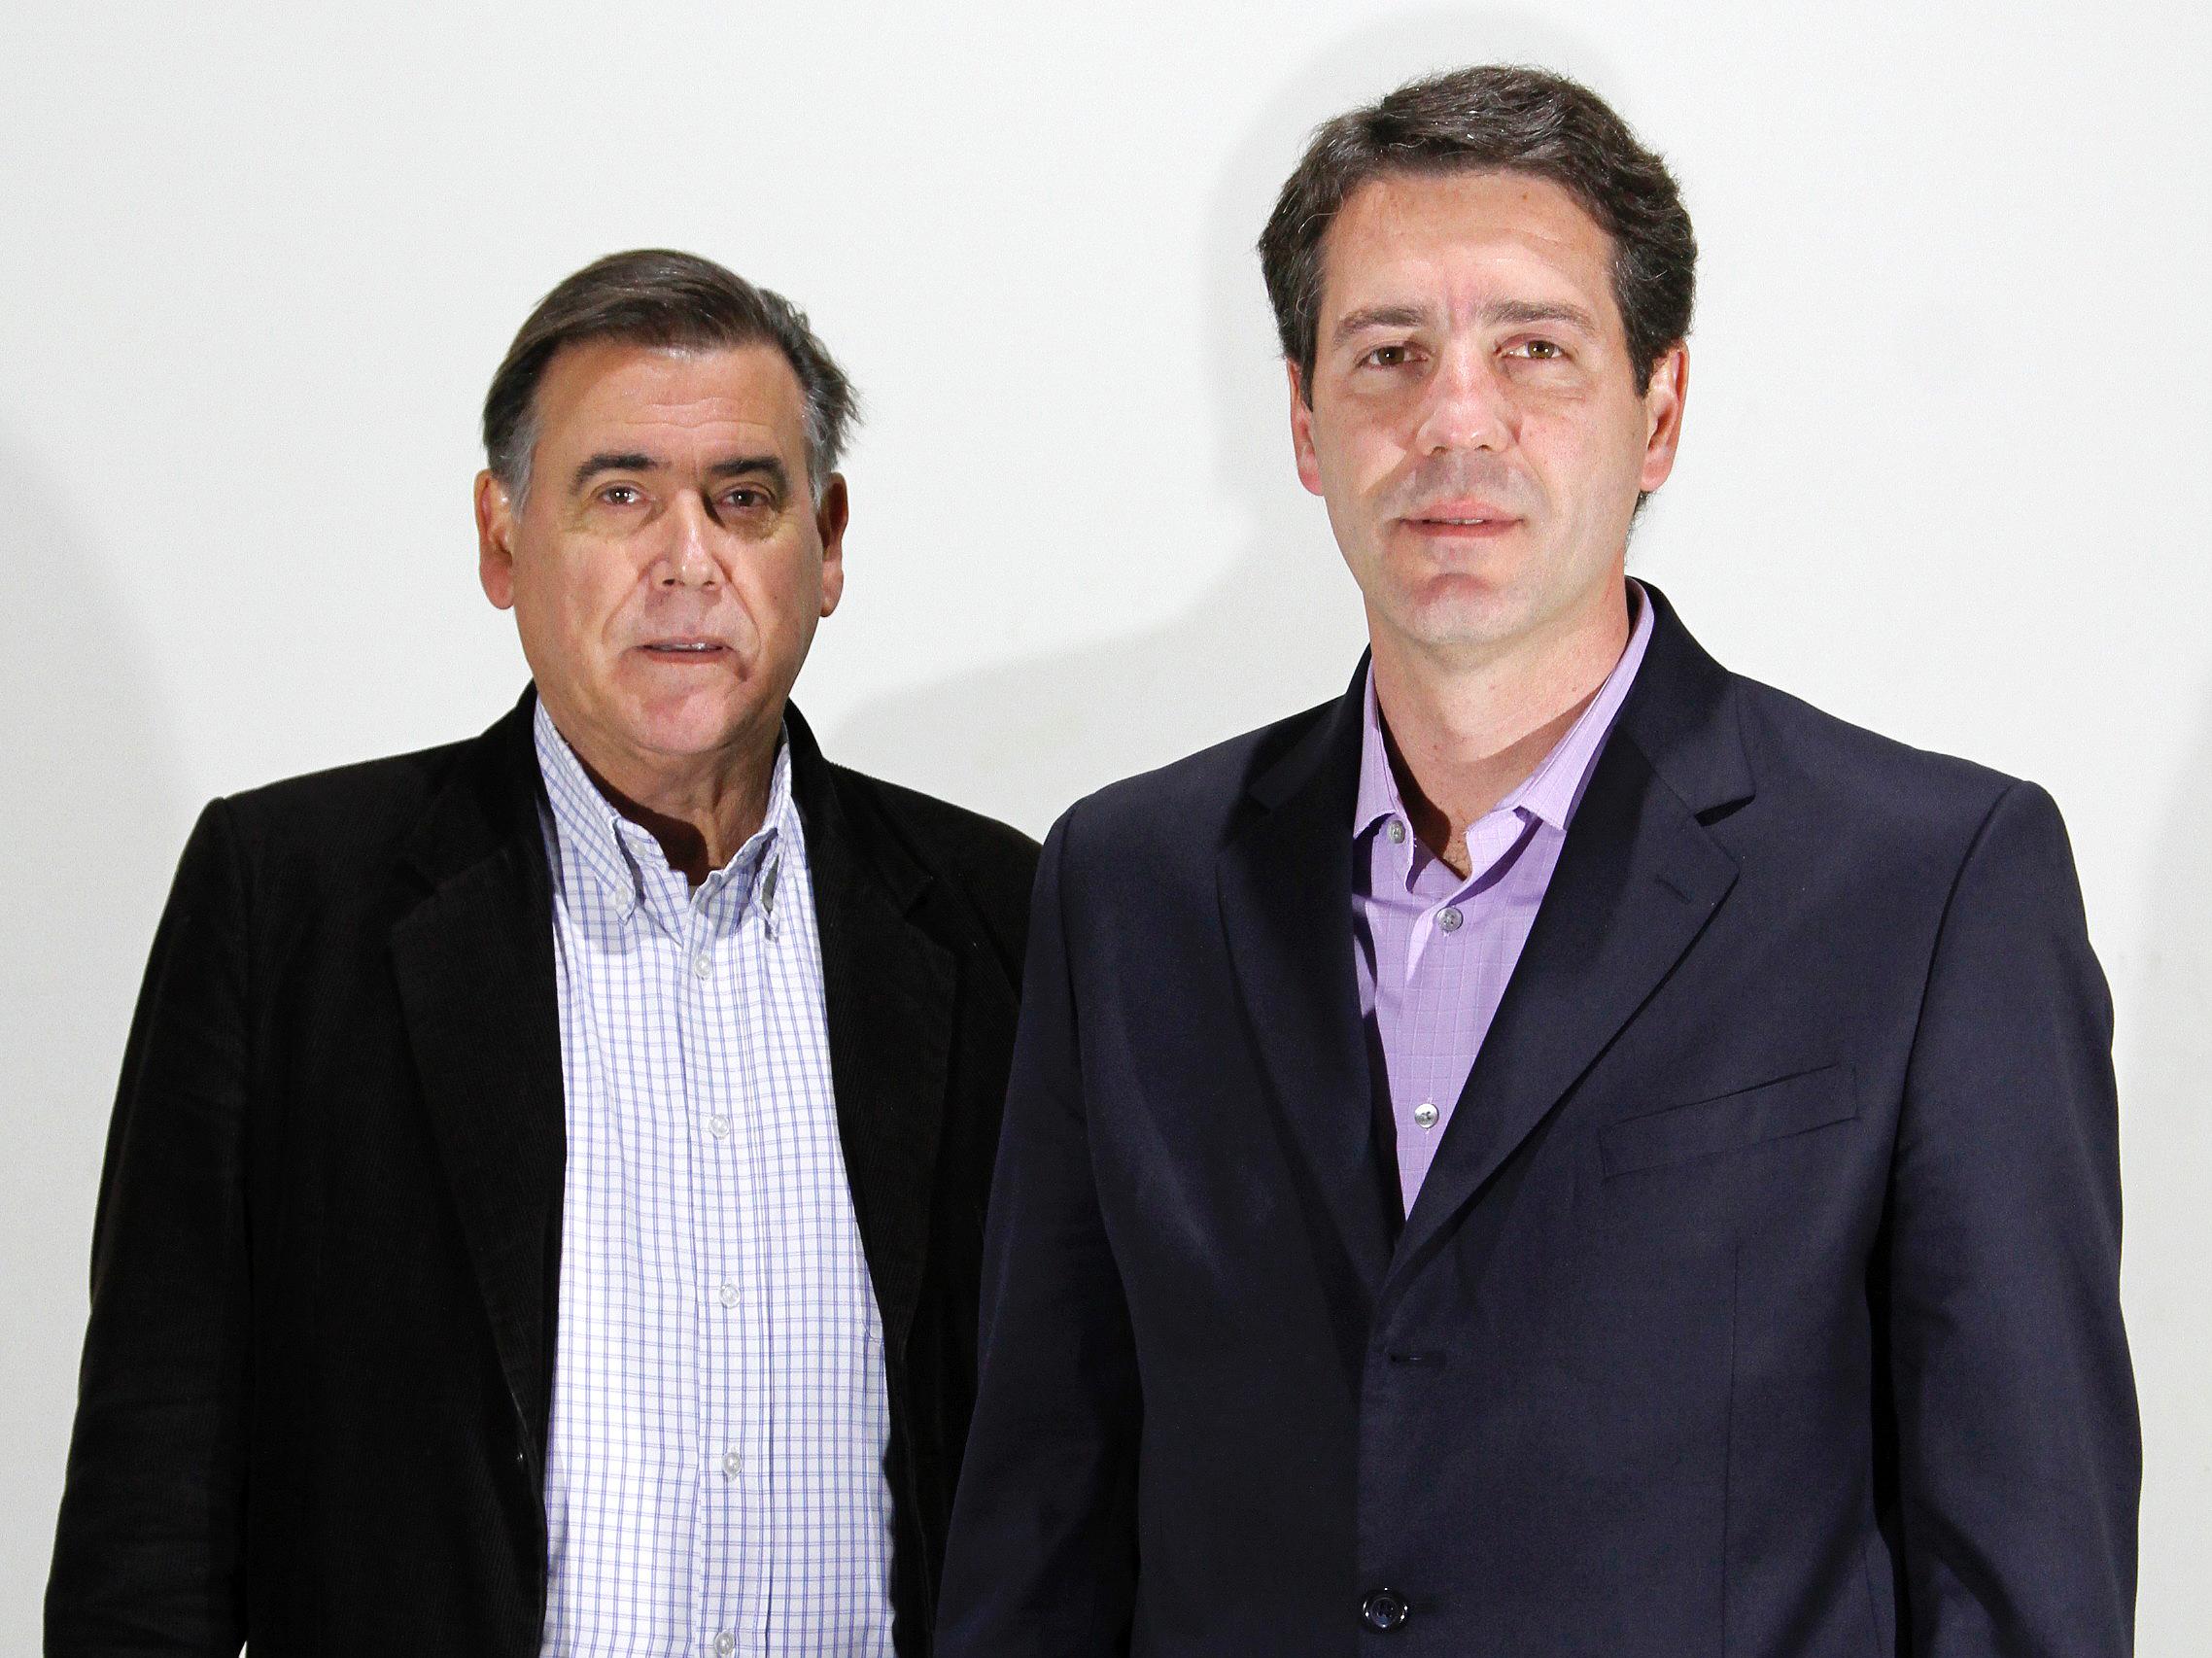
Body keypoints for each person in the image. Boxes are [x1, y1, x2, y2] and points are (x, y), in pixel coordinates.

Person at [936, 65, 2139, 1656]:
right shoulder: (1128, 885)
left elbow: (2026, 1578)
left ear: (1660, 412)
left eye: (1535, 349)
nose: (1456, 420)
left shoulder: (1930, 888)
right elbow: (1042, 1530)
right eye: (1389, 354)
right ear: (1302, 423)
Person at [47, 250, 1037, 1657]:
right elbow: (152, 1517)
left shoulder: (1004, 915)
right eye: (619, 493)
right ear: (502, 541)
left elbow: (1078, 1470)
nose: (687, 560)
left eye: (743, 499)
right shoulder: (288, 908)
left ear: (825, 544)